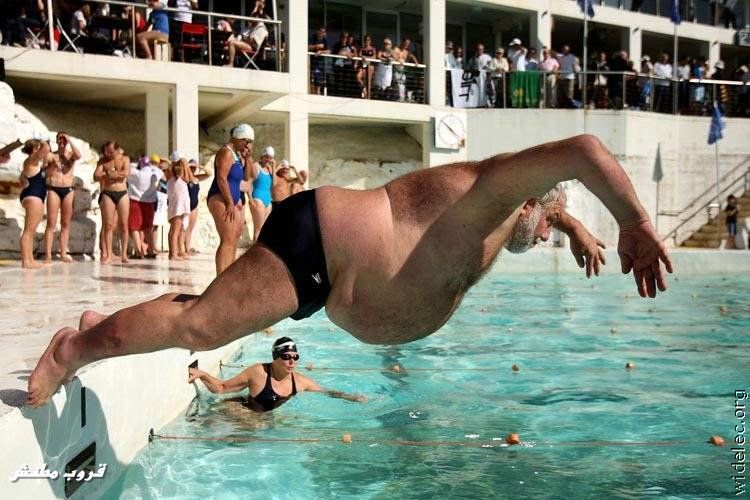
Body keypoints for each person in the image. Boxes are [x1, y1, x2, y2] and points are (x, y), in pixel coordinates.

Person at [27, 135, 674, 408]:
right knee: (201, 329)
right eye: (548, 219)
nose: (545, 233)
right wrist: (636, 222)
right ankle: (72, 349)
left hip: (331, 267)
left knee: (209, 312)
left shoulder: (513, 215)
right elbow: (585, 151)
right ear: (528, 199)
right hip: (324, 245)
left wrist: (578, 227)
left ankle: (105, 323)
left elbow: (548, 210)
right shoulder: (491, 187)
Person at [188, 337, 366, 412]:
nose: (292, 361)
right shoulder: (258, 372)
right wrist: (202, 374)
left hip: (263, 418)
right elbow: (221, 388)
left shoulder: (300, 382)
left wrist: (350, 397)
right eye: (286, 357)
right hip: (240, 411)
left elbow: (326, 392)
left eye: (295, 357)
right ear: (275, 357)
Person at [206, 124, 254, 274]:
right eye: (247, 141)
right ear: (238, 138)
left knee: (233, 240)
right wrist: (229, 202)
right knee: (227, 240)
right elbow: (221, 178)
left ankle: (227, 276)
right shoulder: (226, 152)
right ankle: (220, 278)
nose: (248, 145)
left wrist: (248, 158)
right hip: (220, 198)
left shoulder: (236, 155)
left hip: (230, 200)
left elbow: (246, 177)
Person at [43, 132, 80, 263]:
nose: (62, 142)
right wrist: (52, 166)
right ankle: (48, 254)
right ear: (56, 140)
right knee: (51, 223)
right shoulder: (51, 155)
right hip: (54, 188)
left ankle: (63, 253)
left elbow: (78, 155)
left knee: (65, 223)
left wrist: (69, 140)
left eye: (64, 140)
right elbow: (44, 172)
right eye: (60, 139)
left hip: (68, 189)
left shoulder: (70, 155)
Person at [94, 141, 130, 264]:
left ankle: (124, 254)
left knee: (124, 225)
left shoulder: (124, 159)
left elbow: (126, 173)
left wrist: (114, 174)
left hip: (122, 193)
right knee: (108, 225)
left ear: (117, 150)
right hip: (108, 193)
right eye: (106, 152)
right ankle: (108, 254)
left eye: (110, 152)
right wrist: (107, 174)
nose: (108, 154)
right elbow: (96, 175)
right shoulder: (103, 161)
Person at [18, 138, 50, 269]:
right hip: (33, 196)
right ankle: (26, 261)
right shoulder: (31, 159)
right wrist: (42, 141)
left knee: (31, 231)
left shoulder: (33, 163)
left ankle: (30, 259)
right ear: (35, 149)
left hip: (35, 196)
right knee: (28, 231)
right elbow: (46, 149)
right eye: (38, 147)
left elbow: (22, 179)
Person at [249, 145, 274, 242]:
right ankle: (254, 250)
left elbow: (274, 184)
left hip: (268, 200)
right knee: (258, 229)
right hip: (258, 198)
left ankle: (259, 250)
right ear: (262, 157)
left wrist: (273, 167)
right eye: (266, 157)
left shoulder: (270, 169)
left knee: (264, 230)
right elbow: (249, 182)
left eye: (270, 158)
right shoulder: (256, 166)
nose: (268, 159)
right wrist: (250, 199)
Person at [167, 160, 190, 260]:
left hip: (173, 207)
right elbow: (188, 178)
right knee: (175, 231)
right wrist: (185, 164)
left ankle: (171, 253)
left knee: (172, 231)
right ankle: (174, 254)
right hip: (179, 208)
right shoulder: (182, 181)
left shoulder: (170, 181)